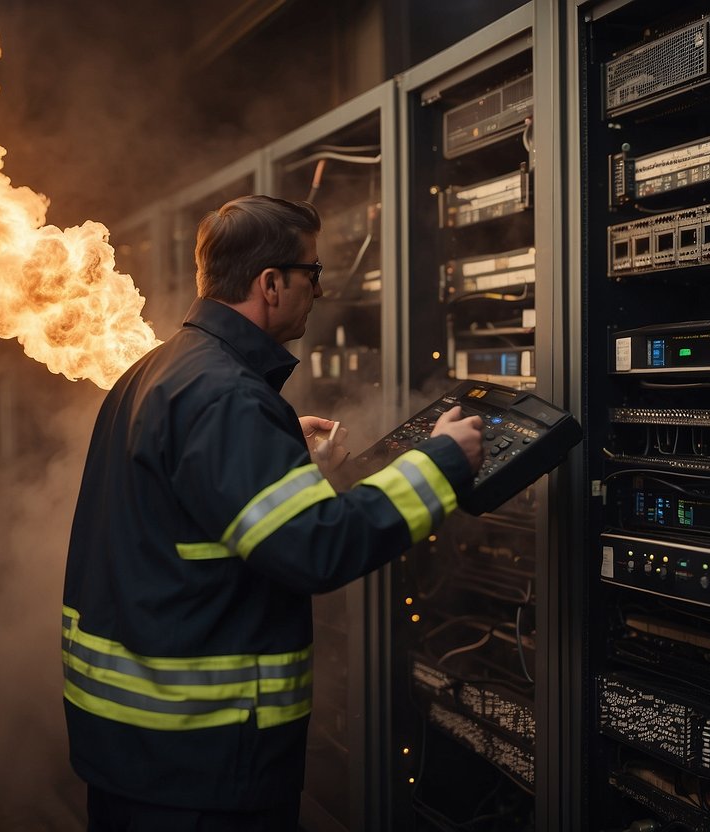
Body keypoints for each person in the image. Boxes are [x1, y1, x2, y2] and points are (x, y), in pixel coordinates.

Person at [62, 194, 484, 831]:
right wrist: (443, 463)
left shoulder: (155, 371)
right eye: (312, 274)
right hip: (201, 765)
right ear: (270, 284)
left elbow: (189, 519)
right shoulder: (226, 396)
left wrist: (292, 469)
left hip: (138, 753)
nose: (320, 290)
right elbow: (317, 548)